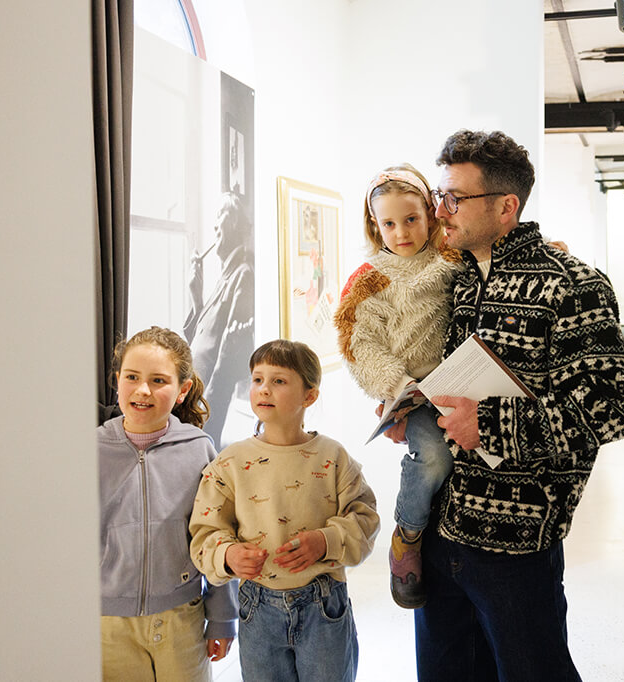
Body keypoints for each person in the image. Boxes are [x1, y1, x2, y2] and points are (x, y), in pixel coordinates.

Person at [408, 129, 624, 681]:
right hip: (444, 530)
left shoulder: (573, 285)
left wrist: (486, 423)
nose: (441, 212)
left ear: (506, 206)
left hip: (516, 542)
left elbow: (613, 409)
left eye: (454, 199)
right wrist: (414, 411)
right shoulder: (458, 283)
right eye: (441, 197)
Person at [189, 339, 380, 682]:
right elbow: (205, 531)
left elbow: (364, 519)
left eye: (278, 381)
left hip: (324, 604)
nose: (264, 389)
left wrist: (325, 541)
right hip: (257, 608)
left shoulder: (333, 457)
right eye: (257, 379)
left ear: (309, 396)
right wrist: (229, 555)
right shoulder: (230, 463)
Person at [333, 164, 462, 609]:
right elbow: (358, 341)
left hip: (462, 380)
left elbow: (499, 258)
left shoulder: (451, 256)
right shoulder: (371, 277)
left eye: (411, 219)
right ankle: (407, 533)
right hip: (413, 390)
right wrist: (399, 384)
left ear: (430, 212)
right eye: (389, 223)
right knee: (432, 457)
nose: (402, 232)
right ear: (375, 225)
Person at [98, 326, 237, 681]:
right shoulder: (89, 450)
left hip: (181, 620)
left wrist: (221, 616)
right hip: (106, 626)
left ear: (182, 390)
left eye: (159, 380)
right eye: (132, 377)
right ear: (117, 381)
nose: (143, 390)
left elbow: (217, 535)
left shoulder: (199, 449)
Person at [185, 192, 255, 446]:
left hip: (206, 406)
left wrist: (205, 414)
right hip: (193, 399)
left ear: (235, 222)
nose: (214, 226)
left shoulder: (243, 276)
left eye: (219, 216)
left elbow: (227, 357)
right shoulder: (223, 278)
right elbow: (199, 339)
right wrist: (196, 296)